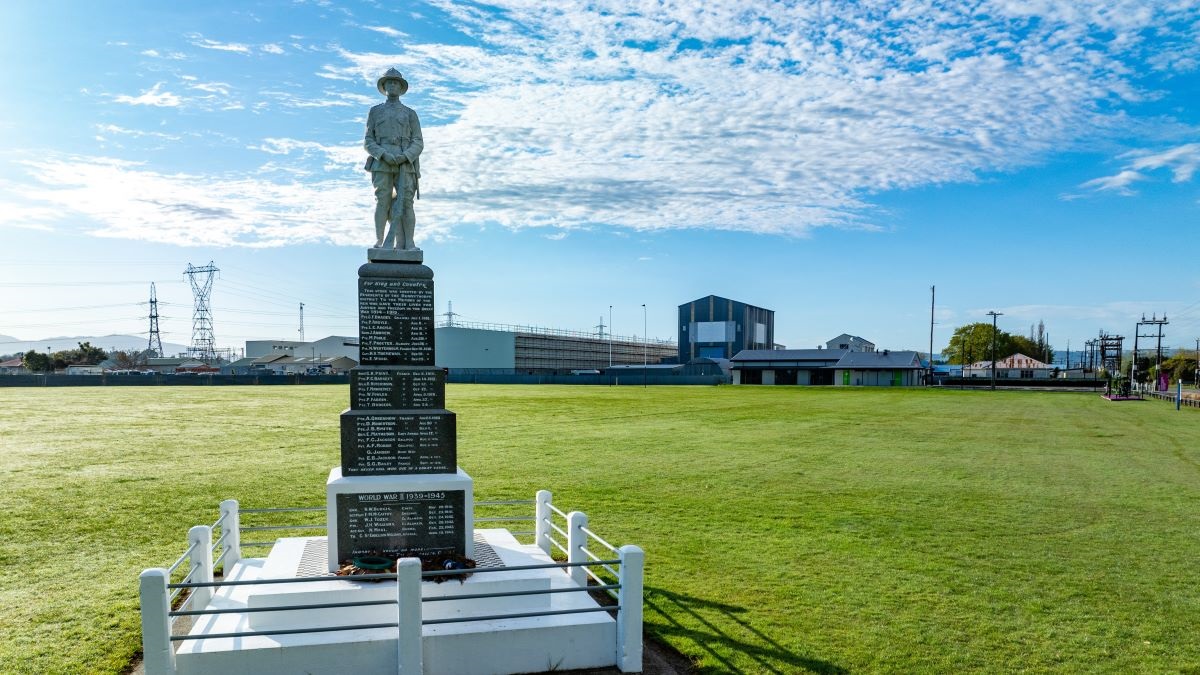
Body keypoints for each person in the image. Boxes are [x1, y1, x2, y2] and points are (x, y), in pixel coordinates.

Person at [364, 68, 423, 250]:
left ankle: (409, 243)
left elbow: (418, 141)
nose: (392, 85)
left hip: (405, 163)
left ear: (401, 87)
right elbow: (368, 141)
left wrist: (406, 156)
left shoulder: (410, 113)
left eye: (396, 82)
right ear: (384, 86)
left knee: (406, 203)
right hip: (382, 162)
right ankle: (380, 241)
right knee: (382, 200)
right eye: (389, 82)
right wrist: (383, 155)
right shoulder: (375, 111)